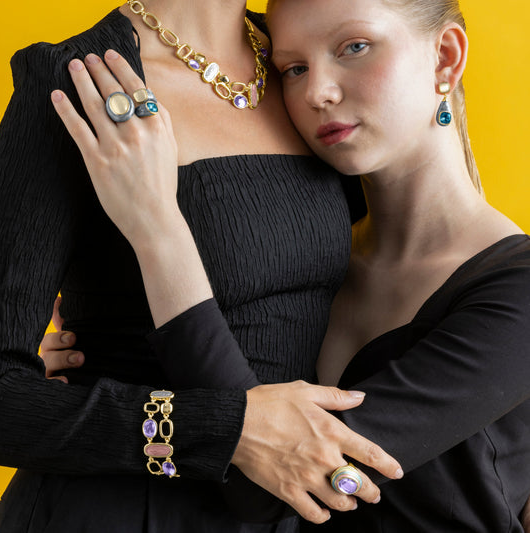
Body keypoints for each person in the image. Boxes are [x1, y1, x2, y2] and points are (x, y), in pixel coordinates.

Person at [42, 0, 530, 530]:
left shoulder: (516, 292)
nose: (317, 92)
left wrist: (158, 228)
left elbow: (270, 489)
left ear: (446, 57)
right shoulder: (315, 258)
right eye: (293, 68)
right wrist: (109, 356)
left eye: (355, 47)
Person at [0, 0, 402, 531]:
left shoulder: (308, 61)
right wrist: (222, 429)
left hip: (292, 510)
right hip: (121, 513)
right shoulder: (78, 83)